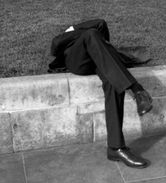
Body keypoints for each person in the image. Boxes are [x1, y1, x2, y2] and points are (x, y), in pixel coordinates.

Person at [48, 19, 153, 168]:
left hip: (95, 59)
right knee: (91, 34)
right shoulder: (68, 35)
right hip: (76, 61)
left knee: (113, 81)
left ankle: (115, 148)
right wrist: (76, 32)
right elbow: (54, 48)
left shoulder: (98, 27)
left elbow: (102, 31)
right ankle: (137, 90)